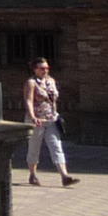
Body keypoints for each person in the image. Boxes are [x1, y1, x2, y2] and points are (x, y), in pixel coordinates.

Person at [24, 58, 79, 186]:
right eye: (42, 68)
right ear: (35, 69)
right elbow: (28, 100)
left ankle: (64, 176)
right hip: (37, 120)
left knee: (56, 146)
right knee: (34, 148)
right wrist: (32, 116)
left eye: (47, 68)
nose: (45, 70)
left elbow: (53, 100)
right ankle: (32, 175)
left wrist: (55, 114)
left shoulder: (51, 81)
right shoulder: (31, 83)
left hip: (51, 120)